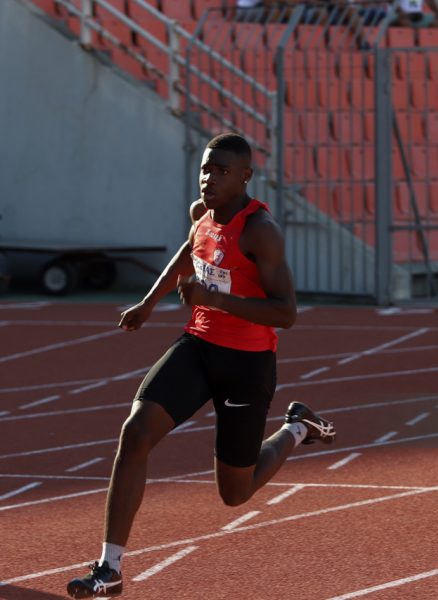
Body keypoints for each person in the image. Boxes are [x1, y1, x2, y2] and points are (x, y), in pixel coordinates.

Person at [66, 133, 336, 599]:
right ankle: (109, 569)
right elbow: (187, 251)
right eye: (206, 169)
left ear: (246, 177)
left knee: (235, 493)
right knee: (135, 432)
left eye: (222, 172)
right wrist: (148, 303)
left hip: (247, 364)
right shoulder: (202, 214)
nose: (209, 179)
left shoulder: (261, 231)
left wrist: (216, 298)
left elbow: (286, 313)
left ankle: (296, 428)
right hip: (198, 345)